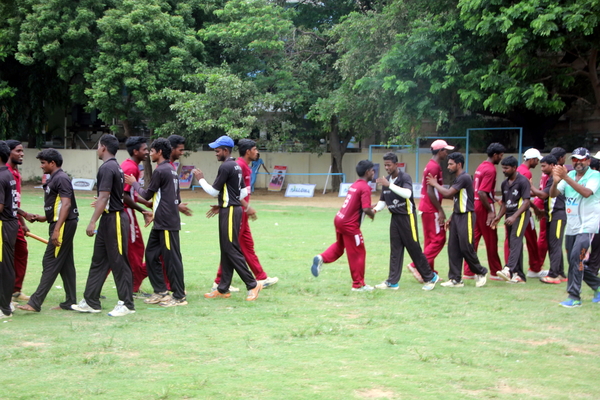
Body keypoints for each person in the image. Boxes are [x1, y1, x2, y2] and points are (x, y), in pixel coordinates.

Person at [72, 134, 135, 317]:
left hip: (115, 219)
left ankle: (127, 304)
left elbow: (105, 196)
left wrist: (92, 221)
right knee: (98, 261)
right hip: (108, 219)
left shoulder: (107, 167)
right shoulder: (115, 166)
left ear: (103, 148)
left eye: (98, 146)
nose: (97, 149)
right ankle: (91, 301)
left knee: (119, 261)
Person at [193, 136, 263, 301]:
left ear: (225, 150)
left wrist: (200, 178)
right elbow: (243, 192)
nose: (215, 153)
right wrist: (225, 202)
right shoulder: (236, 166)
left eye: (217, 151)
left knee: (231, 249)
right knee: (226, 249)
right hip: (230, 210)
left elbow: (213, 191)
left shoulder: (226, 166)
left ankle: (252, 284)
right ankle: (222, 288)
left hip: (230, 211)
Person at [125, 138, 188, 307]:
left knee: (171, 259)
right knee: (151, 255)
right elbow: (175, 197)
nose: (150, 154)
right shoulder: (171, 169)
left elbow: (146, 194)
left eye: (152, 151)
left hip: (166, 223)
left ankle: (179, 296)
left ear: (160, 152)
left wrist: (133, 183)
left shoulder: (161, 170)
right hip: (161, 221)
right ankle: (160, 291)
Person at [210, 139, 278, 291]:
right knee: (231, 246)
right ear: (248, 152)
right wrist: (246, 207)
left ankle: (261, 277)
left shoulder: (245, 166)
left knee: (246, 245)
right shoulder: (238, 165)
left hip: (242, 212)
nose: (257, 152)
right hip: (237, 212)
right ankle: (220, 282)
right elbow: (231, 191)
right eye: (255, 149)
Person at [17, 149, 78, 312]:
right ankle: (70, 302)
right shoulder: (54, 178)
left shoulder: (61, 178)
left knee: (50, 261)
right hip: (59, 223)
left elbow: (66, 204)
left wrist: (57, 230)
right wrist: (43, 218)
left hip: (63, 225)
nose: (41, 166)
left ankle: (34, 303)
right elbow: (58, 205)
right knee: (65, 263)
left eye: (43, 163)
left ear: (52, 163)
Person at [373, 153, 440, 291]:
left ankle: (430, 277)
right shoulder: (386, 181)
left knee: (414, 248)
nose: (387, 167)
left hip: (407, 217)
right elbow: (383, 201)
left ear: (396, 164)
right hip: (395, 218)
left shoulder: (404, 177)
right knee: (395, 250)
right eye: (385, 165)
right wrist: (374, 210)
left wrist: (389, 185)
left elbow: (407, 194)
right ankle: (392, 281)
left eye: (389, 165)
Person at [310, 160, 375, 292]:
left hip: (339, 219)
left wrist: (370, 208)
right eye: (372, 170)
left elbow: (358, 206)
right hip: (349, 225)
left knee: (340, 247)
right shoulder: (365, 187)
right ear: (367, 172)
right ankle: (358, 285)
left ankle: (321, 258)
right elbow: (366, 209)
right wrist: (372, 213)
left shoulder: (355, 185)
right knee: (358, 253)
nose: (374, 173)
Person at [426, 152, 488, 287]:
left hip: (467, 216)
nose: (448, 166)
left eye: (451, 164)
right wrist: (452, 217)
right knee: (453, 248)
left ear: (459, 164)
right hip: (457, 216)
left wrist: (435, 184)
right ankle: (455, 279)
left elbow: (448, 193)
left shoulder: (464, 177)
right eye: (448, 164)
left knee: (466, 247)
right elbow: (456, 199)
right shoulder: (457, 178)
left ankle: (481, 272)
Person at [550, 147, 600, 308]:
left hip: (588, 226)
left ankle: (574, 296)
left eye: (582, 159)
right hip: (572, 226)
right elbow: (553, 194)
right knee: (574, 261)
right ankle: (597, 285)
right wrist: (556, 181)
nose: (578, 162)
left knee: (576, 258)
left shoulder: (595, 176)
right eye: (575, 159)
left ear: (588, 161)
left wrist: (565, 177)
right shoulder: (570, 175)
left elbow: (586, 192)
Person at [407, 139, 454, 282]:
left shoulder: (431, 165)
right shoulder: (434, 167)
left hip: (426, 208)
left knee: (430, 241)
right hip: (431, 208)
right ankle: (416, 265)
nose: (447, 154)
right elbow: (430, 191)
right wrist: (440, 210)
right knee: (439, 239)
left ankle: (428, 273)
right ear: (440, 151)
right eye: (445, 151)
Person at [465, 143, 505, 280]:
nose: (501, 158)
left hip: (476, 204)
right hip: (484, 206)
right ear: (495, 155)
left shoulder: (481, 166)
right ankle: (495, 271)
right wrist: (490, 211)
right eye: (500, 155)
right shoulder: (490, 169)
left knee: (474, 238)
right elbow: (482, 192)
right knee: (491, 239)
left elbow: (479, 190)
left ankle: (468, 271)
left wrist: (495, 198)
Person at [121, 137, 153, 298]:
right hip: (127, 212)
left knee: (117, 250)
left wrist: (145, 202)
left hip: (123, 211)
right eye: (144, 149)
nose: (147, 152)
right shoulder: (131, 168)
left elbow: (130, 193)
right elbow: (124, 195)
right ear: (135, 151)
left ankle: (95, 289)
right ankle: (133, 287)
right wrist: (143, 211)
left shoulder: (128, 165)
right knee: (136, 248)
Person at [510, 148, 547, 278]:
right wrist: (535, 207)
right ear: (532, 160)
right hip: (523, 211)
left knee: (512, 239)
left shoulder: (518, 170)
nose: (537, 163)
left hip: (512, 209)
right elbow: (524, 194)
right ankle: (534, 268)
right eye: (537, 160)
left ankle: (510, 268)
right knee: (531, 239)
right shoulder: (526, 173)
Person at [530, 155, 567, 284]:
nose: (542, 169)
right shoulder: (551, 179)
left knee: (555, 245)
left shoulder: (556, 179)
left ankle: (554, 275)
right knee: (554, 244)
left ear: (552, 165)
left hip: (558, 215)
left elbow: (543, 195)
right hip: (551, 215)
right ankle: (560, 273)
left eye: (544, 166)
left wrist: (530, 185)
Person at [494, 156, 532, 283]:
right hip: (509, 216)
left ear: (515, 168)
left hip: (520, 215)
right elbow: (504, 203)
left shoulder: (523, 181)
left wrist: (515, 216)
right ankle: (519, 274)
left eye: (506, 168)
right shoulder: (504, 183)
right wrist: (498, 217)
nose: (504, 170)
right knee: (513, 243)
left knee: (515, 240)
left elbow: (526, 202)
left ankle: (508, 269)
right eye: (503, 168)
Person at [6, 140, 30, 303]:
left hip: (15, 220)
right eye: (18, 151)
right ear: (7, 152)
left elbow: (15, 201)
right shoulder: (5, 173)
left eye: (22, 151)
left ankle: (15, 290)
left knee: (21, 252)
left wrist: (22, 223)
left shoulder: (16, 173)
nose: (22, 154)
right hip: (5, 221)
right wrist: (24, 215)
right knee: (6, 257)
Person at [0, 141, 19, 319]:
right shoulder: (8, 174)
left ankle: (5, 308)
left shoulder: (1, 176)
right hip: (10, 223)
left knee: (4, 266)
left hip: (4, 225)